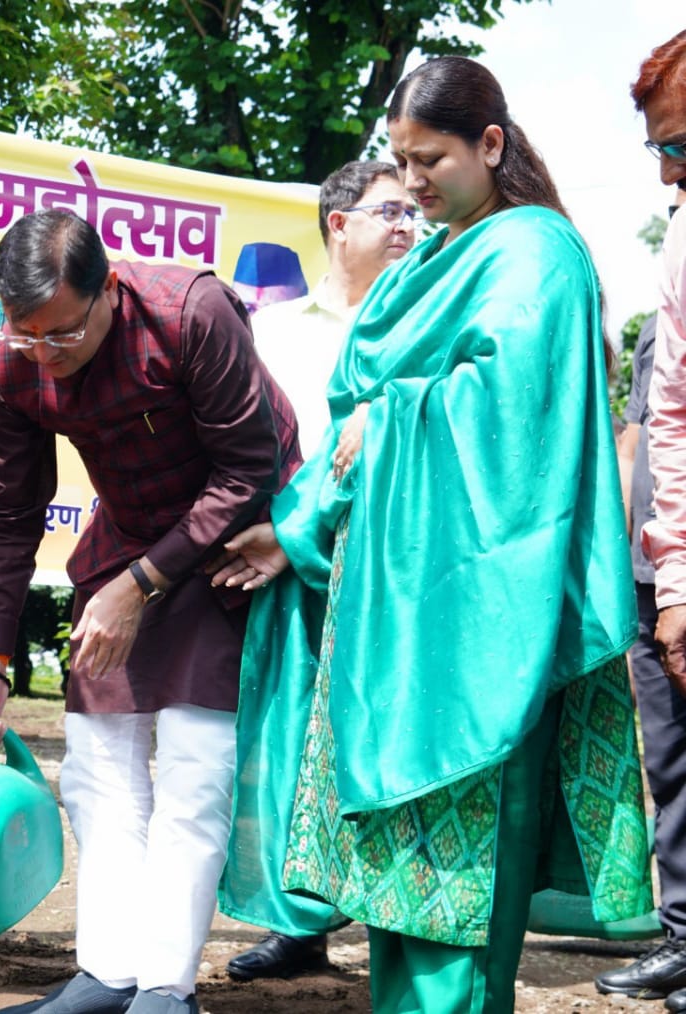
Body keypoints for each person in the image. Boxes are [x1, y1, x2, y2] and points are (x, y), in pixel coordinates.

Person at [219, 55, 651, 1014]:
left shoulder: (536, 253)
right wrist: (294, 530)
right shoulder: (434, 257)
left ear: (491, 145)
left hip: (488, 615)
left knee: (464, 886)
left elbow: (519, 423)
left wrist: (399, 416)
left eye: (432, 161)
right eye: (401, 164)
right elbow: (349, 428)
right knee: (400, 882)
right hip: (395, 611)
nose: (412, 186)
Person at [0, 209, 301, 1014]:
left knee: (194, 765)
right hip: (131, 531)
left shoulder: (191, 313)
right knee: (97, 765)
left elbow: (248, 469)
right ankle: (108, 974)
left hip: (239, 539)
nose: (46, 356)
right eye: (26, 334)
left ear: (107, 289)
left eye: (63, 336)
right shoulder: (11, 360)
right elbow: (7, 513)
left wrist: (138, 587)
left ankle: (164, 989)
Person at [220, 160, 417, 983]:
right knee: (289, 745)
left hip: (389, 571)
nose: (408, 224)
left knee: (380, 743)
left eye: (414, 211)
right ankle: (299, 927)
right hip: (288, 567)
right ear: (338, 224)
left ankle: (392, 926)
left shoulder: (421, 324)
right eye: (389, 211)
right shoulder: (273, 330)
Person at [628, 30, 686, 1012]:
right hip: (666, 558)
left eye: (680, 146)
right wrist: (670, 578)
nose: (671, 175)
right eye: (660, 154)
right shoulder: (681, 240)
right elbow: (663, 413)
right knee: (668, 760)